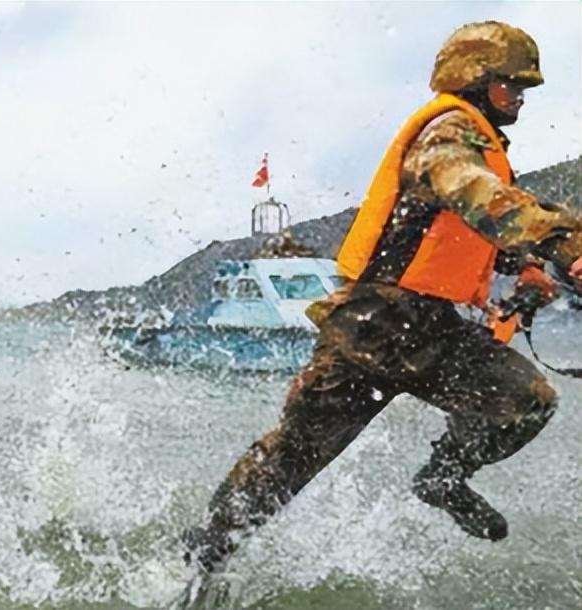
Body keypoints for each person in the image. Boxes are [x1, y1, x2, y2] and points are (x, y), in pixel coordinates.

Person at [183, 21, 582, 575]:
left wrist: (529, 265)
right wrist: (564, 244)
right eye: (511, 84)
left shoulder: (481, 144)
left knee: (526, 402)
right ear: (476, 79)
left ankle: (442, 478)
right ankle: (204, 556)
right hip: (370, 328)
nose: (518, 97)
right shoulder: (446, 137)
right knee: (291, 461)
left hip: (433, 329)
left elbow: (455, 231)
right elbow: (474, 196)